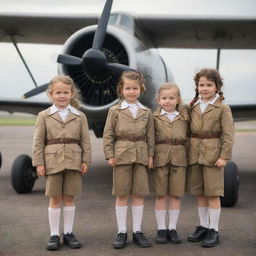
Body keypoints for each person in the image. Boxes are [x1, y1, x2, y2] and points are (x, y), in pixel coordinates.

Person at [32, 75, 92, 250]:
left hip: (74, 161)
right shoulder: (44, 115)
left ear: (72, 93)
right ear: (51, 94)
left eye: (66, 92)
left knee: (69, 197)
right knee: (55, 198)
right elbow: (38, 141)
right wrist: (39, 163)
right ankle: (54, 235)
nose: (62, 96)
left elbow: (85, 141)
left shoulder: (80, 116)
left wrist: (86, 159)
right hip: (53, 161)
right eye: (58, 92)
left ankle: (68, 233)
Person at [103, 71, 154, 249]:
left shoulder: (147, 112)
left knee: (139, 194)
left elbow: (151, 136)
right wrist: (110, 155)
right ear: (121, 89)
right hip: (121, 155)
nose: (131, 92)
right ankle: (122, 231)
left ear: (141, 89)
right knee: (122, 194)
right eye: (128, 88)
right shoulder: (114, 111)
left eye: (135, 88)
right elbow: (108, 134)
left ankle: (138, 231)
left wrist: (150, 156)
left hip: (140, 156)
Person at [186, 68, 234, 247]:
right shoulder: (193, 105)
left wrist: (224, 156)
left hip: (214, 155)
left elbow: (228, 135)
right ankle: (203, 226)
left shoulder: (222, 107)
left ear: (217, 87)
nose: (204, 88)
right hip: (195, 154)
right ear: (197, 87)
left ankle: (214, 229)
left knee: (213, 194)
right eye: (201, 85)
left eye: (208, 85)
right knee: (199, 193)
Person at [151, 83, 189, 244]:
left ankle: (172, 228)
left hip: (179, 159)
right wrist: (150, 157)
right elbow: (150, 139)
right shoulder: (153, 118)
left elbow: (188, 140)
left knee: (175, 195)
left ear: (178, 100)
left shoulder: (185, 118)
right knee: (161, 195)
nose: (167, 101)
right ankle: (161, 228)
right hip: (160, 159)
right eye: (164, 98)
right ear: (159, 100)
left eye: (171, 98)